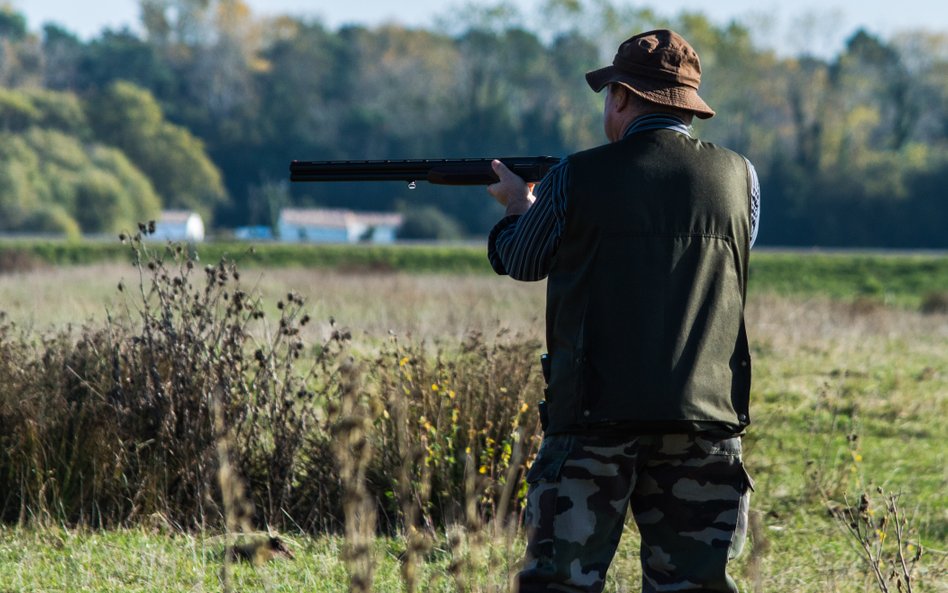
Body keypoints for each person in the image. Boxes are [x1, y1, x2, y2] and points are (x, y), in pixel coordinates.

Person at [486, 29, 760, 593]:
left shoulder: (575, 176)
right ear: (686, 105)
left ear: (622, 98)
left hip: (593, 421)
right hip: (704, 420)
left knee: (559, 584)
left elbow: (521, 259)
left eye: (609, 94)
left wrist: (518, 205)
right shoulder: (742, 179)